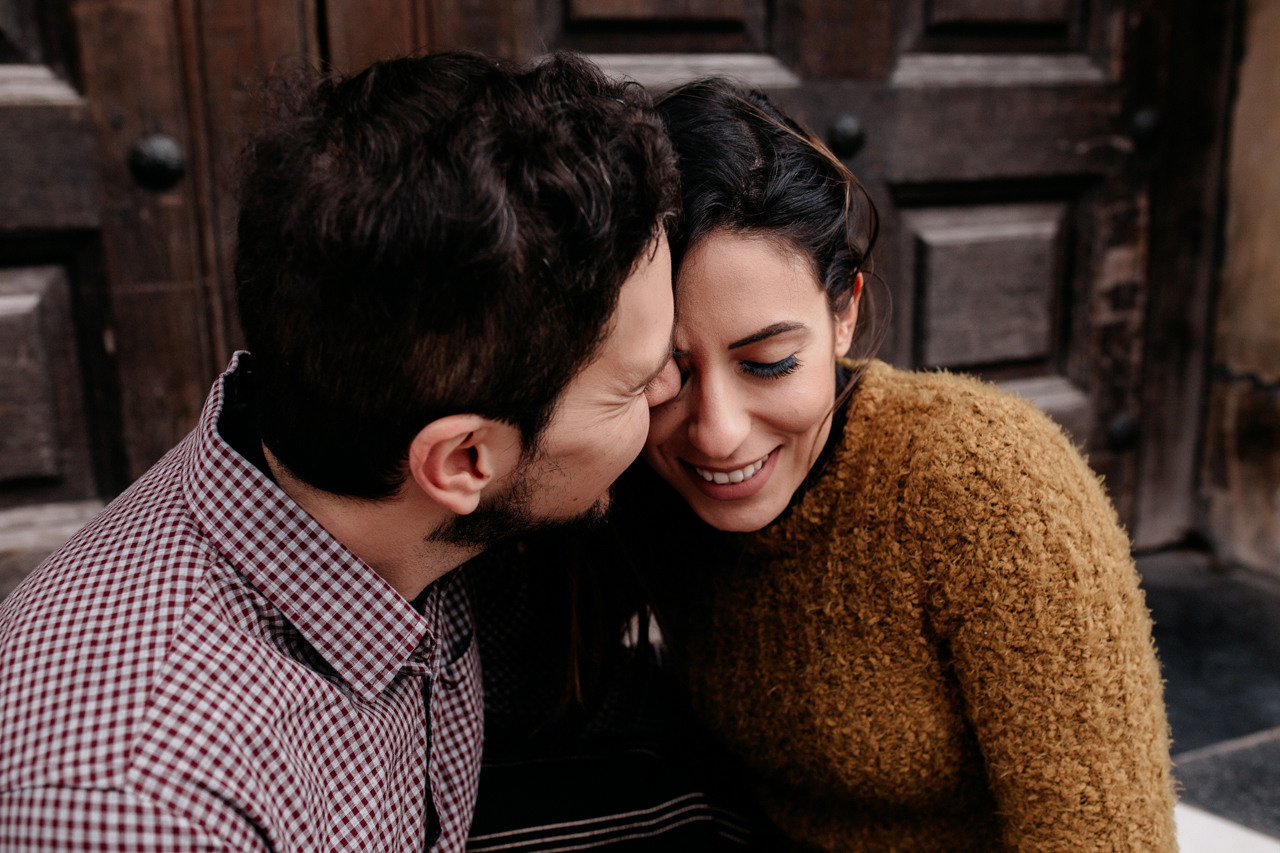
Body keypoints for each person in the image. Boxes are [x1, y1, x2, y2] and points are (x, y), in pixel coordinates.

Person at [0, 51, 681, 852]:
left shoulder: (380, 507)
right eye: (634, 385)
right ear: (463, 460)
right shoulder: (143, 805)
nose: (673, 387)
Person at [607, 79, 1178, 851]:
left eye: (769, 363)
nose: (717, 433)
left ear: (844, 313)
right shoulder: (629, 465)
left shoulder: (991, 490)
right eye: (666, 374)